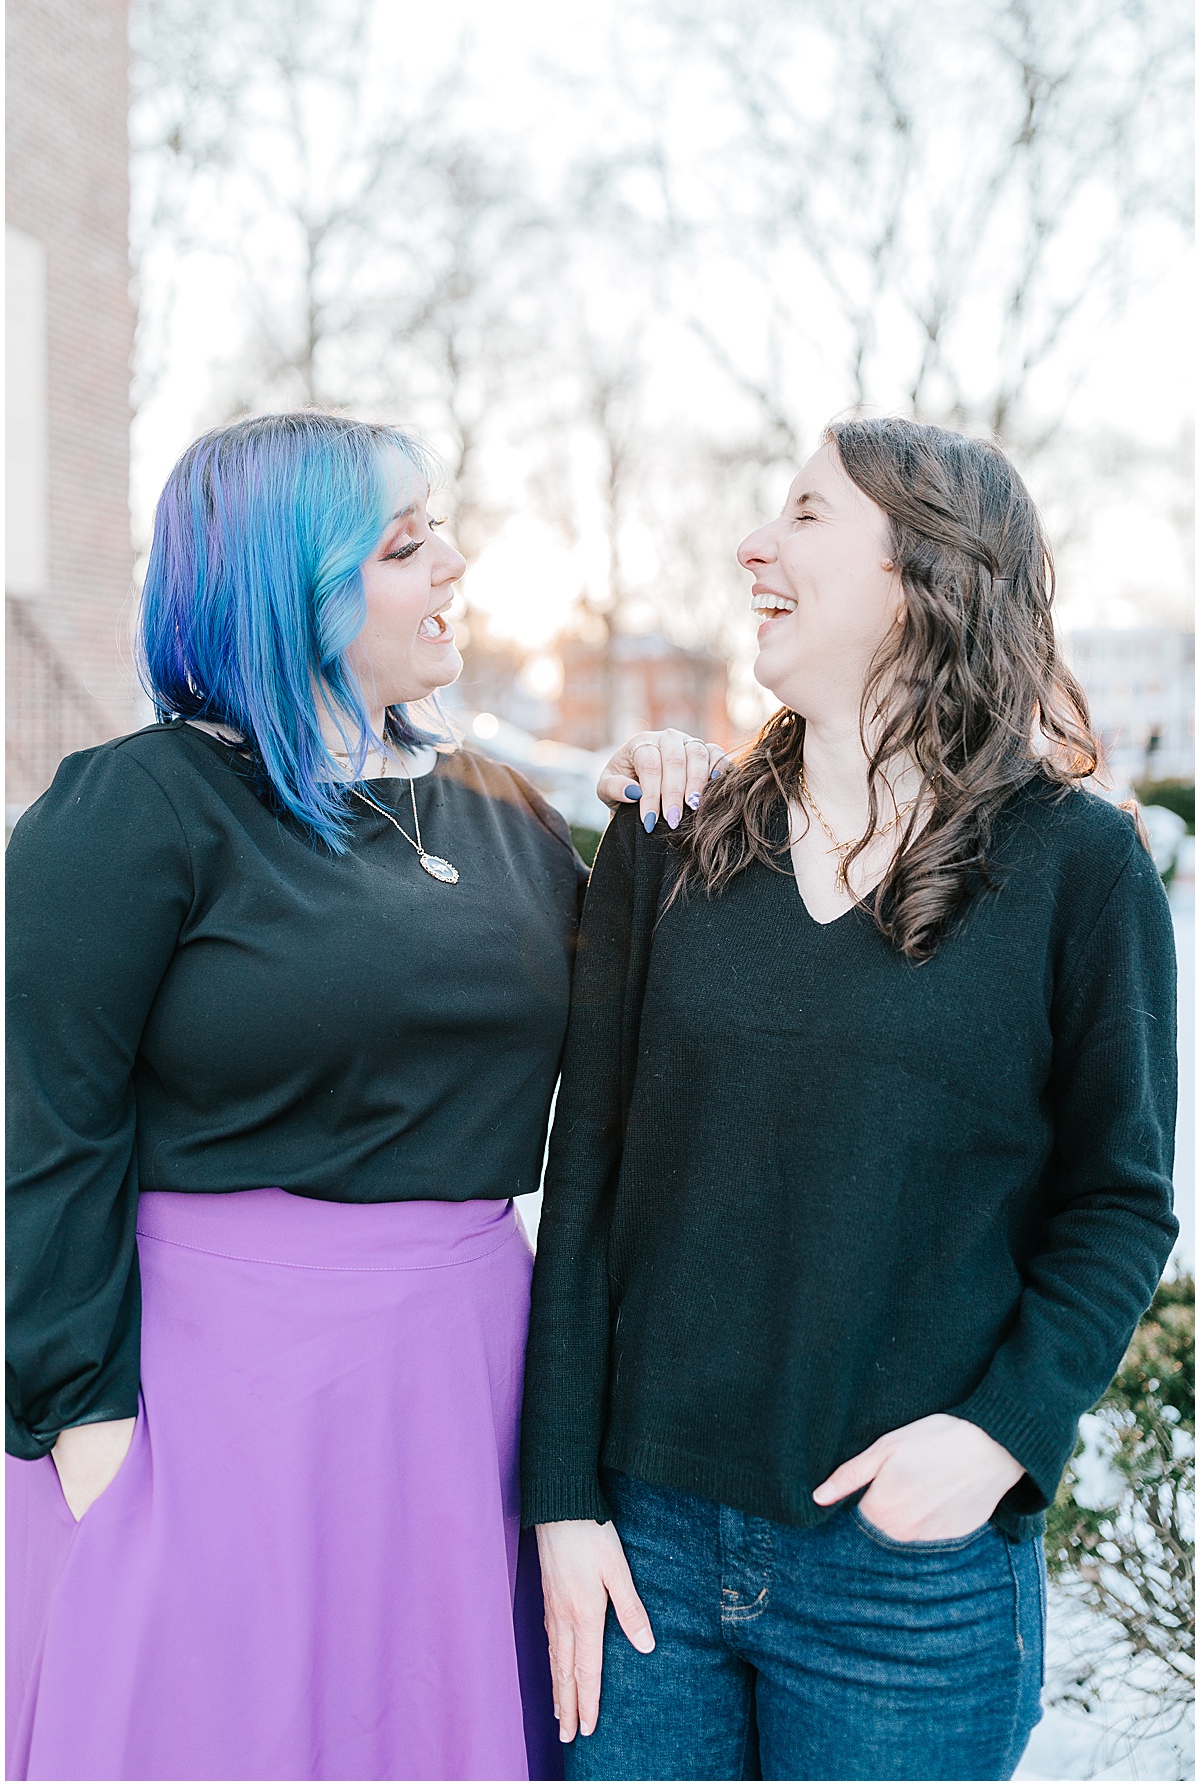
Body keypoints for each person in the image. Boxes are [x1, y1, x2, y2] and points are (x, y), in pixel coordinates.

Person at [5, 409, 723, 1783]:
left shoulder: (507, 807)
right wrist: (92, 1447)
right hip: (204, 1400)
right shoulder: (134, 810)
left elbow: (644, 1046)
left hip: (463, 1381)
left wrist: (661, 813)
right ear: (293, 587)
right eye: (406, 544)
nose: (453, 560)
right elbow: (52, 1134)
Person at [521, 417, 1179, 1782]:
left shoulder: (1079, 871)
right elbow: (583, 1193)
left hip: (908, 1584)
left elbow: (1116, 1206)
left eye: (807, 516)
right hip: (645, 1566)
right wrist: (562, 1506)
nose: (753, 545)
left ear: (928, 574)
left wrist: (1005, 1433)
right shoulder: (672, 844)